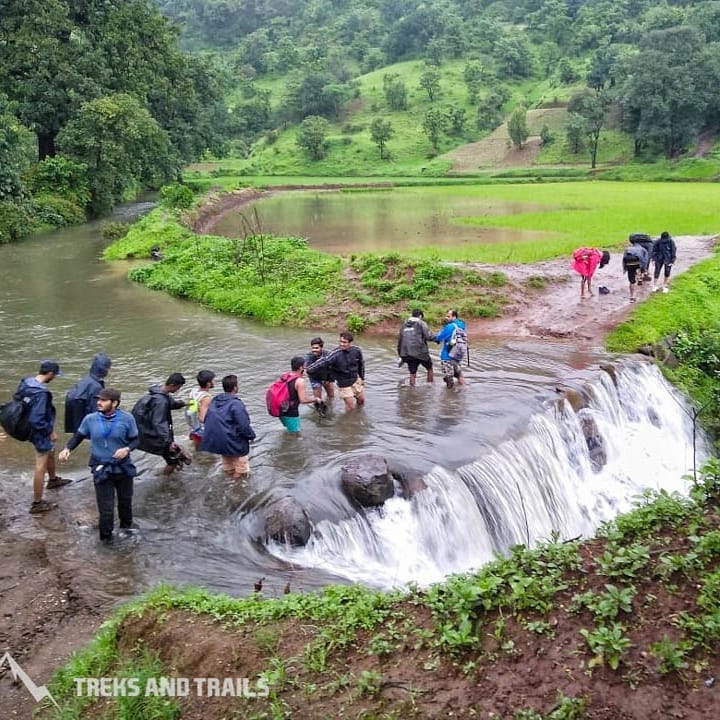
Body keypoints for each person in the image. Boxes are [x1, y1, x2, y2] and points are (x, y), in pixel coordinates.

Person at [58, 388, 139, 543]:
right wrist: (68, 448)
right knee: (106, 508)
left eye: (103, 400)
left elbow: (135, 440)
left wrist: (127, 449)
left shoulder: (127, 418)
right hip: (102, 468)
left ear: (114, 403)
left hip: (123, 467)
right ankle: (106, 541)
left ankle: (127, 531)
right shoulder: (90, 419)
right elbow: (79, 436)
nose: (99, 403)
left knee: (125, 502)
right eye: (98, 399)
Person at [15, 360, 71, 513]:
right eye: (55, 375)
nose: (55, 378)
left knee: (50, 451)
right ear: (50, 374)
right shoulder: (42, 393)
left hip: (26, 426)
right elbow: (37, 419)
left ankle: (53, 480)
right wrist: (49, 432)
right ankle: (37, 503)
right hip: (39, 430)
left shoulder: (26, 382)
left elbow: (17, 399)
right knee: (40, 465)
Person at [132, 372, 190, 474]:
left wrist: (183, 403)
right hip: (155, 436)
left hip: (144, 432)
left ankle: (174, 470)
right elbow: (159, 422)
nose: (178, 390)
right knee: (173, 460)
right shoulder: (161, 401)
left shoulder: (159, 393)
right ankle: (165, 480)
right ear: (172, 385)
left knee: (174, 457)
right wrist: (168, 441)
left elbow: (171, 403)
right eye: (178, 387)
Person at [201, 374, 256, 478]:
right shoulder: (236, 404)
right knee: (241, 470)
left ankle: (229, 482)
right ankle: (236, 488)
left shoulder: (215, 400)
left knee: (228, 466)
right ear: (235, 388)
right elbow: (244, 425)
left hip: (218, 441)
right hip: (233, 442)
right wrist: (251, 436)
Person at [306, 331, 365, 411]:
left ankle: (358, 416)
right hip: (343, 383)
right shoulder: (335, 354)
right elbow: (322, 362)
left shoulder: (357, 350)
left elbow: (361, 364)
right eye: (340, 341)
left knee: (361, 401)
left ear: (350, 343)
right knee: (350, 406)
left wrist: (362, 378)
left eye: (344, 342)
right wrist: (308, 369)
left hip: (355, 380)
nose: (342, 344)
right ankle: (348, 422)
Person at [64, 353, 112, 434]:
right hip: (87, 426)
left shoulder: (85, 380)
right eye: (108, 368)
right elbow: (96, 411)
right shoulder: (96, 387)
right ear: (104, 370)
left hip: (76, 422)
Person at [278, 357, 323, 433]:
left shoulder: (285, 376)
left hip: (280, 409)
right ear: (300, 367)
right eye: (304, 366)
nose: (305, 368)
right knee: (295, 435)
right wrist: (316, 399)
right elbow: (303, 400)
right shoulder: (300, 381)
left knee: (288, 430)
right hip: (291, 412)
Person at [397, 309, 435, 386]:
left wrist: (401, 355)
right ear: (420, 316)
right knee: (429, 368)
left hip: (407, 353)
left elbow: (400, 341)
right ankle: (430, 386)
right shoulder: (421, 323)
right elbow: (429, 336)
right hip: (420, 352)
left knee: (412, 373)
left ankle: (412, 390)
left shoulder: (404, 325)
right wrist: (437, 338)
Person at [433, 309, 467, 389]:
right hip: (457, 355)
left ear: (454, 317)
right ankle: (464, 391)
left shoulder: (449, 326)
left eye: (448, 316)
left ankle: (449, 398)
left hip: (447, 356)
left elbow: (439, 338)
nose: (446, 318)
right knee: (459, 374)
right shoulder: (462, 325)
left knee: (448, 378)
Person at [185, 369, 215, 447]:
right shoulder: (206, 397)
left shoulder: (193, 391)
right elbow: (202, 418)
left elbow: (190, 407)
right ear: (208, 383)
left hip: (192, 426)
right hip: (201, 431)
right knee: (207, 453)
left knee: (197, 449)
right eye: (213, 380)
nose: (214, 382)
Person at [304, 337, 336, 402]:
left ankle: (329, 408)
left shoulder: (328, 354)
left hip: (327, 377)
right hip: (315, 378)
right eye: (313, 348)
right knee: (318, 400)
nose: (314, 350)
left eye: (316, 348)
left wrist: (329, 379)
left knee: (331, 396)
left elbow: (333, 368)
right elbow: (306, 370)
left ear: (321, 348)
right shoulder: (308, 357)